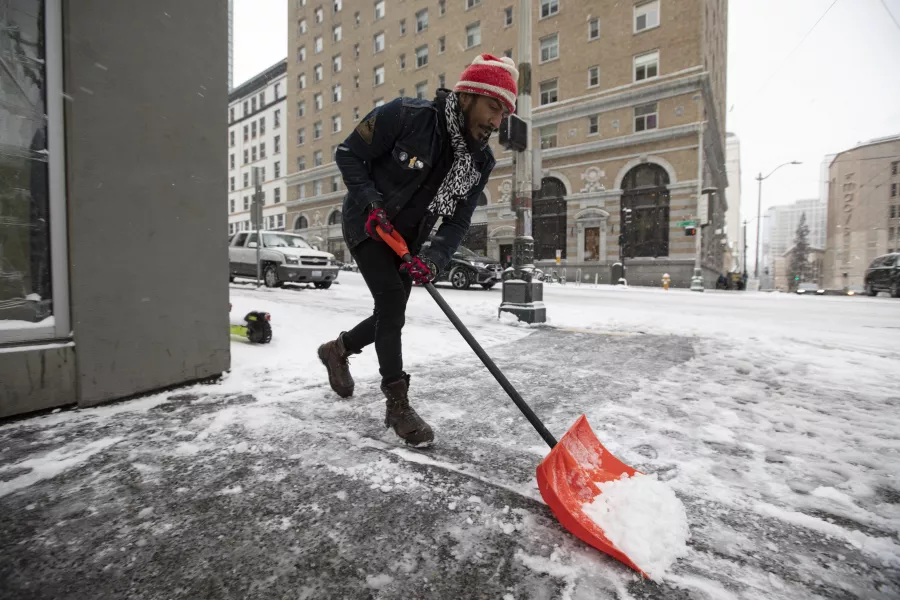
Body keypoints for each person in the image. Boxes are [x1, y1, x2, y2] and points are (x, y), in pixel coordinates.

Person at [317, 54, 517, 447]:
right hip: (366, 221)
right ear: (467, 96)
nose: (497, 121)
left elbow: (458, 221)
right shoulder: (405, 115)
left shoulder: (479, 161)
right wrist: (373, 203)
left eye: (504, 114)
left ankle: (337, 349)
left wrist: (434, 258)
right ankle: (397, 405)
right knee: (391, 303)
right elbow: (349, 154)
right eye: (493, 107)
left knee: (390, 314)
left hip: (408, 241)